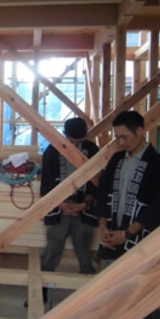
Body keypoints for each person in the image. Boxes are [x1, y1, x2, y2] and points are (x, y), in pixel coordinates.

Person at [97, 110, 160, 268]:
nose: (121, 143)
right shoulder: (117, 160)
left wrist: (127, 233)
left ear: (140, 131)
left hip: (141, 241)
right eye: (118, 138)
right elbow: (103, 192)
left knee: (137, 280)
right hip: (111, 237)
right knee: (107, 279)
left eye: (125, 137)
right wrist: (103, 227)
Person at [41, 117, 99, 275]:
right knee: (54, 244)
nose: (74, 145)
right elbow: (47, 183)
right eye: (71, 141)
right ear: (64, 135)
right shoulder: (52, 151)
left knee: (84, 245)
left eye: (78, 142)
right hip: (59, 205)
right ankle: (45, 280)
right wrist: (61, 204)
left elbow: (97, 183)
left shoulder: (92, 150)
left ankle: (87, 279)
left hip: (84, 205)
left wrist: (84, 204)